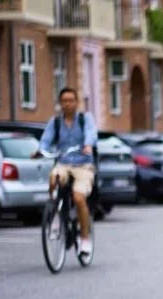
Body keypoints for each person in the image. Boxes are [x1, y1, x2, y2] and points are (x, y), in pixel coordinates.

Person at [37, 87, 98, 256]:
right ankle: (55, 215)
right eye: (64, 101)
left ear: (76, 102)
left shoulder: (85, 119)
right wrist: (40, 150)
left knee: (78, 198)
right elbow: (46, 140)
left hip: (83, 165)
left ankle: (84, 238)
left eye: (71, 100)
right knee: (53, 178)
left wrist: (87, 145)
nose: (67, 104)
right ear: (60, 103)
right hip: (63, 163)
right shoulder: (55, 122)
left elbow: (91, 133)